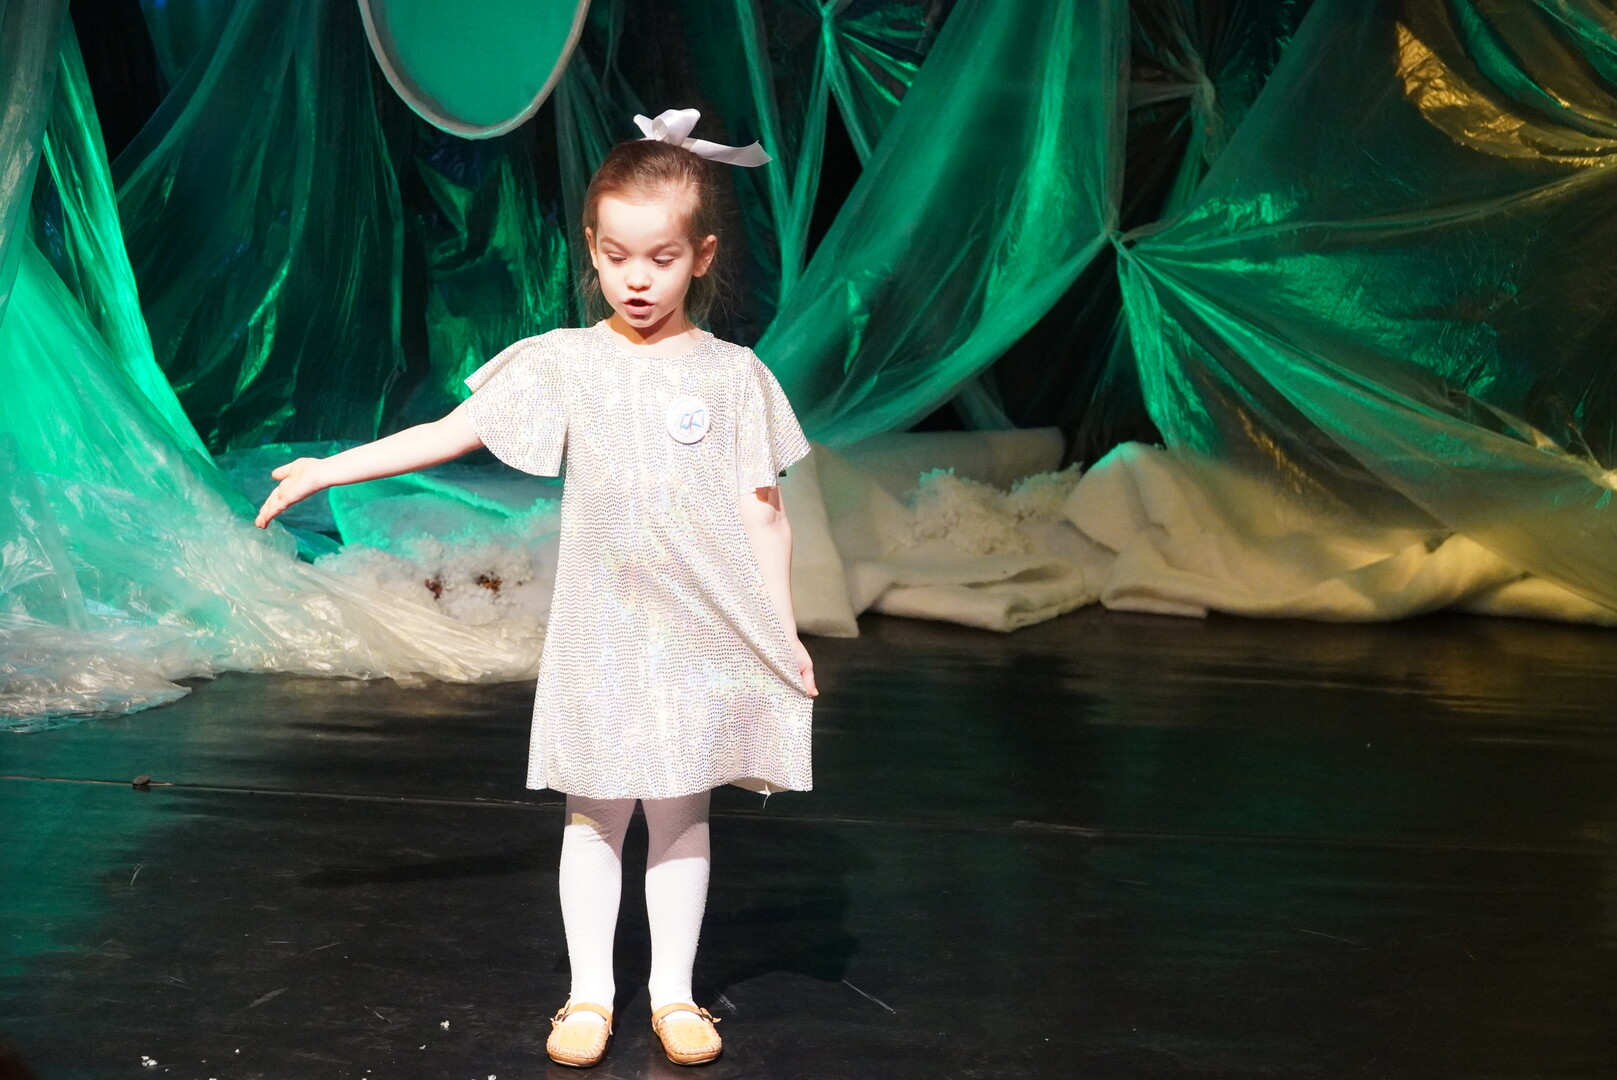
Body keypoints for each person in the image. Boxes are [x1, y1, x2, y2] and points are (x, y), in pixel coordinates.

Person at [254, 109, 817, 1068]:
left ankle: (675, 994)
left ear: (701, 256)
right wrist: (329, 468)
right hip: (602, 632)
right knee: (596, 813)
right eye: (616, 256)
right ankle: (589, 994)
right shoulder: (566, 362)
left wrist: (782, 631)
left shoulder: (733, 378)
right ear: (591, 249)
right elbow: (449, 432)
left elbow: (764, 513)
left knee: (681, 812)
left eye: (661, 259)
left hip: (699, 634)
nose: (636, 280)